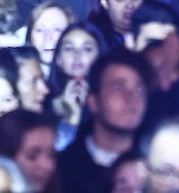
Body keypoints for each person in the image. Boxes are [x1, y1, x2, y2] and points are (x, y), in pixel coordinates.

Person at [56, 48, 151, 188]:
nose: (131, 98)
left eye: (139, 90)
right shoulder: (60, 169)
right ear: (93, 101)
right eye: (118, 89)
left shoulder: (157, 167)